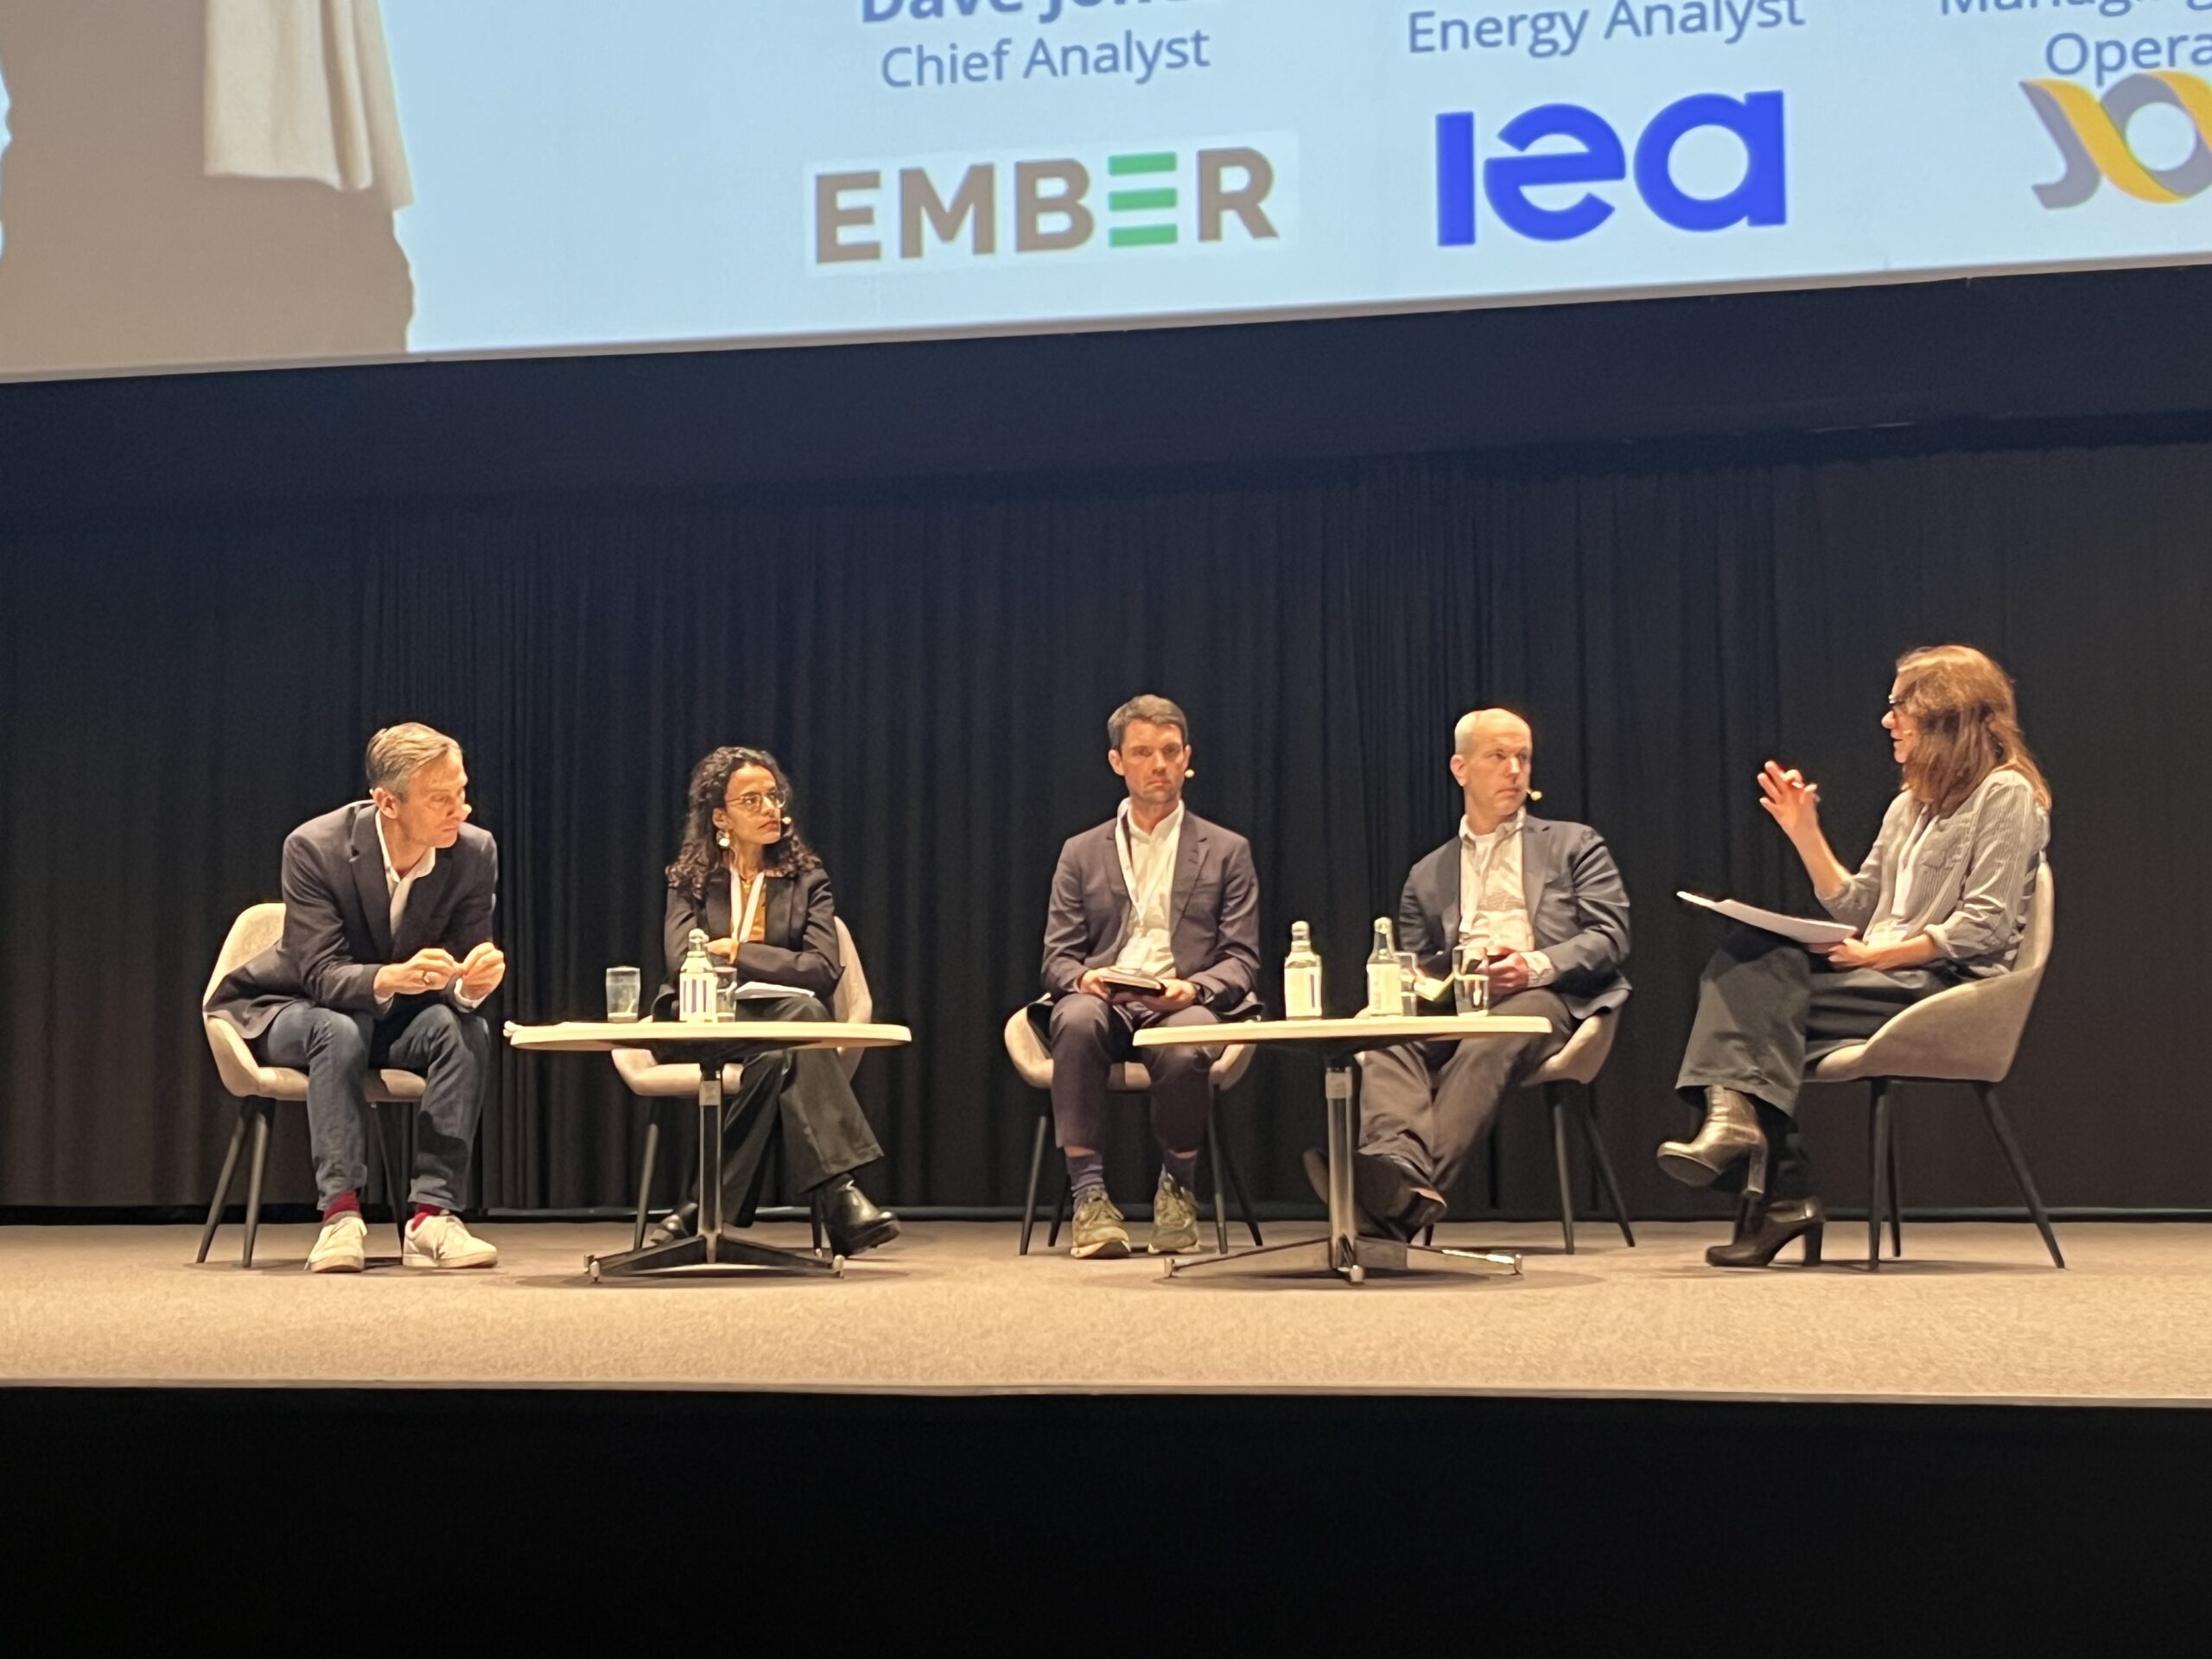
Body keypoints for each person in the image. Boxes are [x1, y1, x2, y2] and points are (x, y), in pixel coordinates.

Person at [1661, 645, 2052, 1268]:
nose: (1887, 720)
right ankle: (1756, 1156)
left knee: (1743, 1006)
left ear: (1946, 714)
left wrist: (1880, 958)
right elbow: (1857, 904)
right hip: (1885, 974)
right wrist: (1804, 831)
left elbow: (1985, 924)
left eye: (1901, 706)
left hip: (1943, 986)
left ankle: (1780, 1188)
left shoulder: (2005, 795)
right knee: (1748, 963)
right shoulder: (1907, 806)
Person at [206, 723, 502, 1273]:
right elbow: (319, 974)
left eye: (461, 791)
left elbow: (463, 958)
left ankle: (432, 1217)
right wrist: (391, 977)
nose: (459, 810)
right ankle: (340, 1216)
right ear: (388, 803)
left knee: (462, 1030)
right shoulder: (315, 847)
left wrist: (470, 984)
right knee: (339, 1028)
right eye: (440, 798)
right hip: (290, 1006)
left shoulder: (473, 850)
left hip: (385, 1016)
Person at [1323, 709, 1630, 1238]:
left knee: (1492, 1039)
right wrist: (1424, 984)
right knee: (1386, 1034)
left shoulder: (1574, 844)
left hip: (1547, 994)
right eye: (1498, 756)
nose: (1515, 770)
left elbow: (1610, 936)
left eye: (1523, 757)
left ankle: (1397, 1206)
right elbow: (1416, 964)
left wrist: (1530, 966)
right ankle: (1395, 1165)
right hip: (1457, 1001)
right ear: (1460, 768)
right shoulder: (1427, 873)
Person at [643, 745, 899, 1258]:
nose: (769, 809)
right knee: (802, 1019)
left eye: (774, 797)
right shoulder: (690, 881)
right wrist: (770, 962)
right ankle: (841, 1194)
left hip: (777, 1026)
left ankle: (700, 1206)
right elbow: (681, 960)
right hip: (703, 1023)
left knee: (780, 1053)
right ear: (721, 817)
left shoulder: (808, 881)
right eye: (751, 800)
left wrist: (740, 953)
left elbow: (822, 969)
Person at [1036, 695, 1262, 1258]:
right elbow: (1057, 959)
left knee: (1185, 1043)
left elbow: (1241, 959)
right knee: (1077, 1019)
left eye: (1169, 751)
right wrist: (1087, 980)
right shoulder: (1080, 852)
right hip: (1104, 1000)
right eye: (1142, 753)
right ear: (1117, 762)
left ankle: (1177, 1189)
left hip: (1182, 998)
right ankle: (1090, 1197)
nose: (1158, 764)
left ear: (1187, 758)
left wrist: (1193, 989)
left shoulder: (1227, 850)